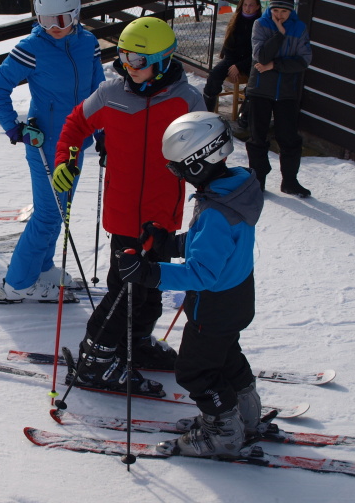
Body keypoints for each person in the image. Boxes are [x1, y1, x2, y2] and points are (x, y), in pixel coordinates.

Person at [52, 16, 205, 395]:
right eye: (122, 56)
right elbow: (75, 124)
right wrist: (65, 159)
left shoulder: (187, 101)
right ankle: (95, 360)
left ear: (163, 60)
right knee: (126, 293)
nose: (128, 66)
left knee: (151, 292)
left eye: (137, 60)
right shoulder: (110, 94)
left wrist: (212, 188)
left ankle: (133, 345)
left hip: (162, 217)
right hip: (123, 216)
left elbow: (206, 148)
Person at [115, 111, 264, 458]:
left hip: (213, 306)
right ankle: (245, 416)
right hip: (237, 298)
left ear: (199, 163)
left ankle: (223, 432)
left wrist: (149, 273)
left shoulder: (215, 212)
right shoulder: (233, 192)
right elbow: (215, 247)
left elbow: (202, 273)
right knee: (225, 356)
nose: (177, 175)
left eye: (178, 168)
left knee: (195, 370)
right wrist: (169, 243)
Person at [0, 0, 105, 300]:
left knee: (60, 211)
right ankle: (18, 283)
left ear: (75, 14)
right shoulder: (32, 47)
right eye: (45, 20)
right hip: (46, 145)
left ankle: (42, 267)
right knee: (48, 214)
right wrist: (14, 128)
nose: (53, 27)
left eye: (61, 20)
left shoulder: (88, 44)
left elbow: (99, 92)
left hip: (77, 143)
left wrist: (103, 132)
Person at [245, 0, 312, 197]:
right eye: (276, 10)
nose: (280, 15)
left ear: (291, 10)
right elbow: (261, 56)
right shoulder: (261, 24)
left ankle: (290, 182)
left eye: (284, 11)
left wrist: (275, 65)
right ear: (270, 8)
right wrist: (279, 35)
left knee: (289, 138)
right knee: (258, 138)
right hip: (260, 90)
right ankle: (258, 182)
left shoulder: (299, 28)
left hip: (287, 92)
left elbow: (303, 61)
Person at [202, 0, 261, 115]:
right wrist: (232, 65)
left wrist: (239, 66)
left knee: (255, 84)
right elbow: (228, 46)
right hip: (232, 59)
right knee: (214, 75)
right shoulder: (235, 20)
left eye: (251, 5)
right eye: (245, 5)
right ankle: (205, 111)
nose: (247, 8)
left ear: (257, 7)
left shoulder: (261, 24)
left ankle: (243, 116)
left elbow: (258, 53)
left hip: (252, 62)